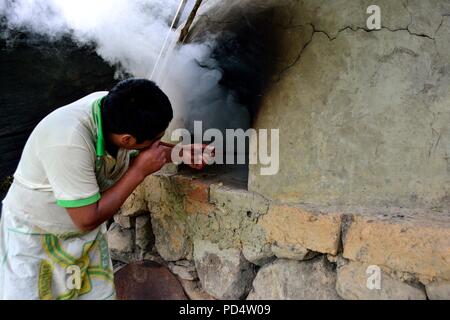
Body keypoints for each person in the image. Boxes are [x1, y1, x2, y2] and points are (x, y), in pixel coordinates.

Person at [0, 78, 208, 300]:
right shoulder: (69, 140)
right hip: (37, 239)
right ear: (127, 139)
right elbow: (86, 218)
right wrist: (138, 172)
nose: (159, 144)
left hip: (81, 238)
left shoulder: (114, 112)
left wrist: (181, 152)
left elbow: (145, 151)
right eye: (155, 140)